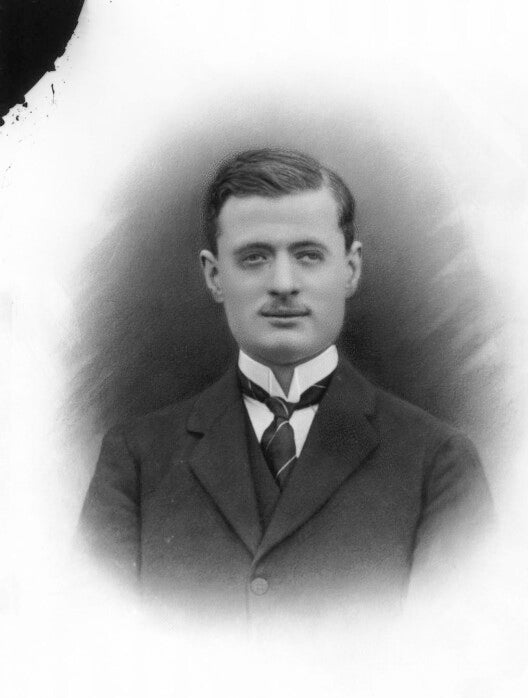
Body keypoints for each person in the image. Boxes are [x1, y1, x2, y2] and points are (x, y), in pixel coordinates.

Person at [79, 148, 493, 622]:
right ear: (214, 275)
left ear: (350, 269)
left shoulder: (438, 463)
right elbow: (94, 641)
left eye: (308, 255)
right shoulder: (135, 459)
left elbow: (455, 651)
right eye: (254, 257)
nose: (282, 283)